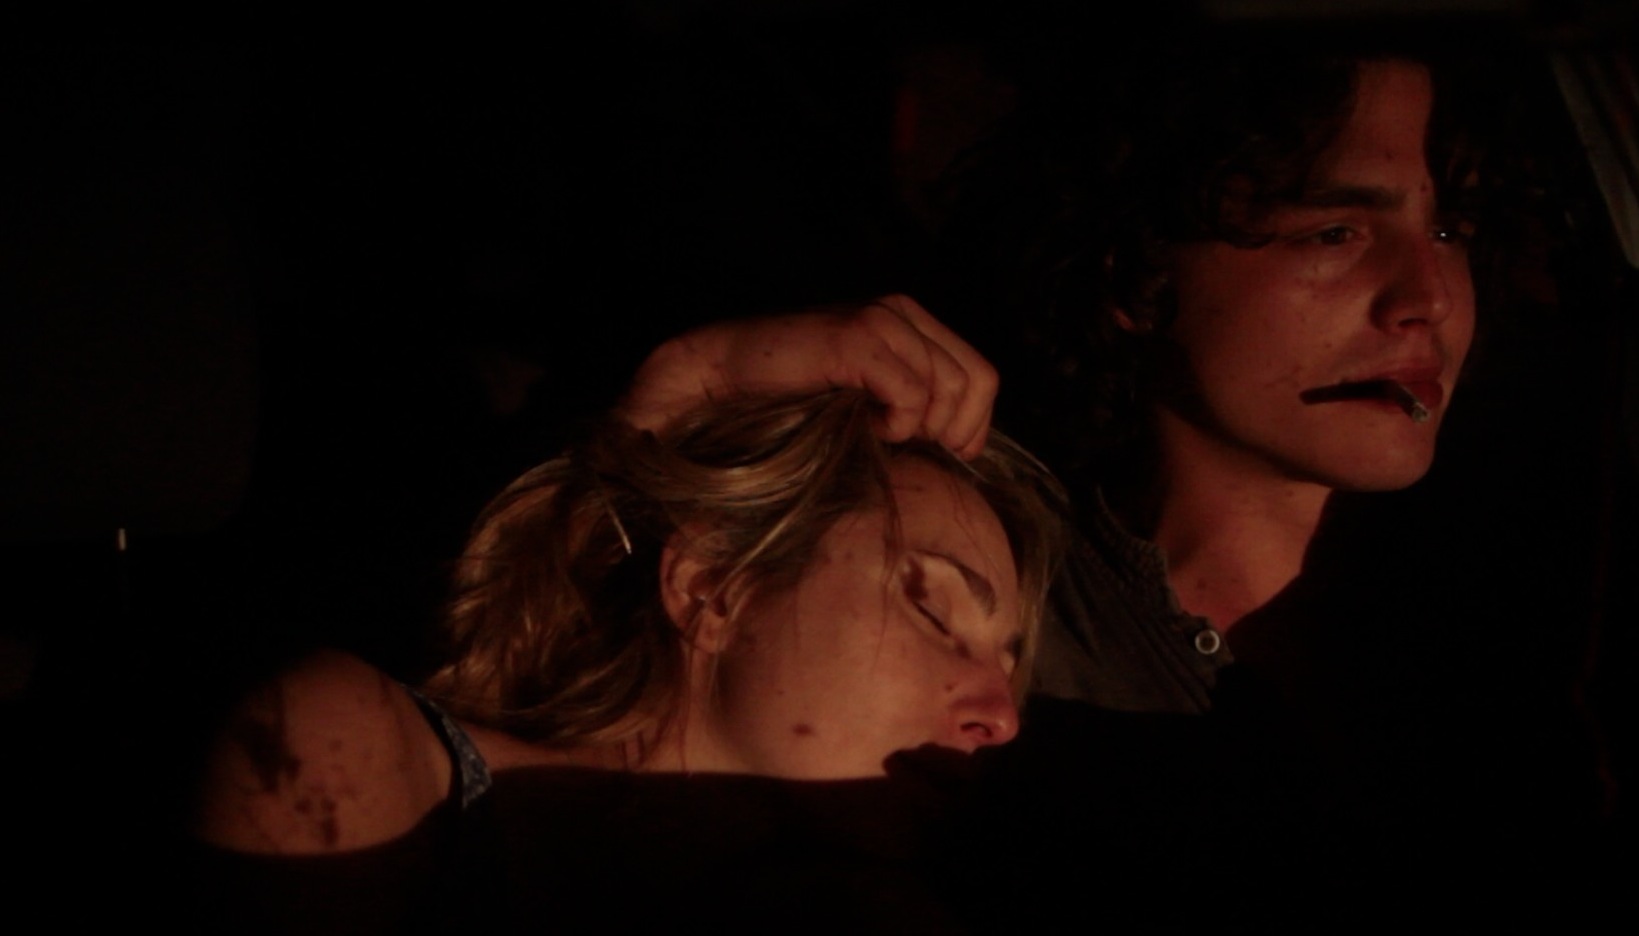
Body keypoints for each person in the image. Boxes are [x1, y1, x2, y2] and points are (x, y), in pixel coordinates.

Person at [616, 25, 1617, 926]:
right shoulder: (969, 588)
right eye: (1335, 231)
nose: (1425, 298)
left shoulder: (1544, 589)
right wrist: (686, 384)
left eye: (1449, 232)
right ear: (1134, 275)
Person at [189, 389, 1065, 929]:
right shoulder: (357, 759)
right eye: (931, 608)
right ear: (713, 587)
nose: (1002, 716)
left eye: (1006, 661)